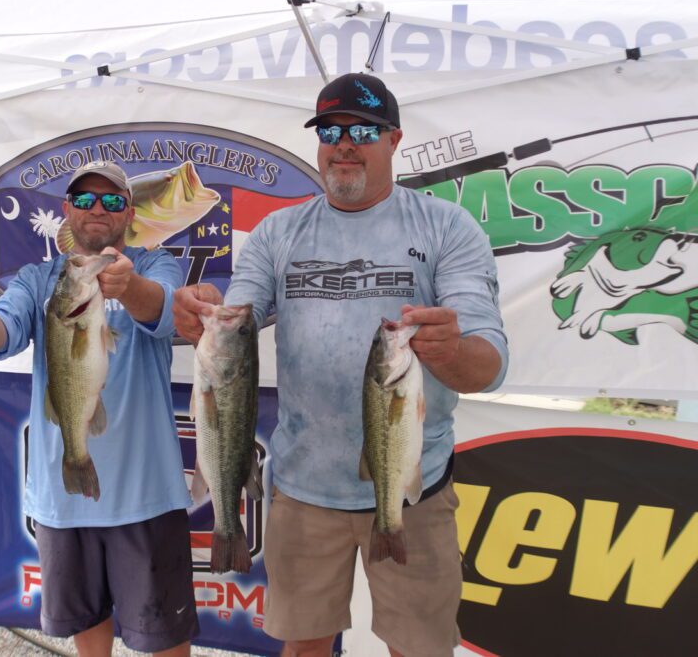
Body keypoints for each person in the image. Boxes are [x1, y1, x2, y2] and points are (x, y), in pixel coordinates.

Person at [173, 73, 509, 657]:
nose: (345, 144)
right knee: (303, 646)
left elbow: (489, 366)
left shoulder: (447, 228)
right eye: (330, 131)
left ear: (394, 139)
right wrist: (203, 311)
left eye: (364, 131)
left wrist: (452, 350)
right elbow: (235, 316)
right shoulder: (279, 232)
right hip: (302, 490)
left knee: (419, 649)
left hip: (413, 493)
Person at [0, 160, 198, 656]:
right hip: (64, 498)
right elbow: (0, 335)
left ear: (129, 213)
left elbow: (167, 312)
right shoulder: (38, 279)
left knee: (166, 637)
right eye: (84, 199)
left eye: (112, 200)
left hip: (147, 494)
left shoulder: (154, 266)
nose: (97, 209)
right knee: (88, 631)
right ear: (67, 211)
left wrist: (130, 288)